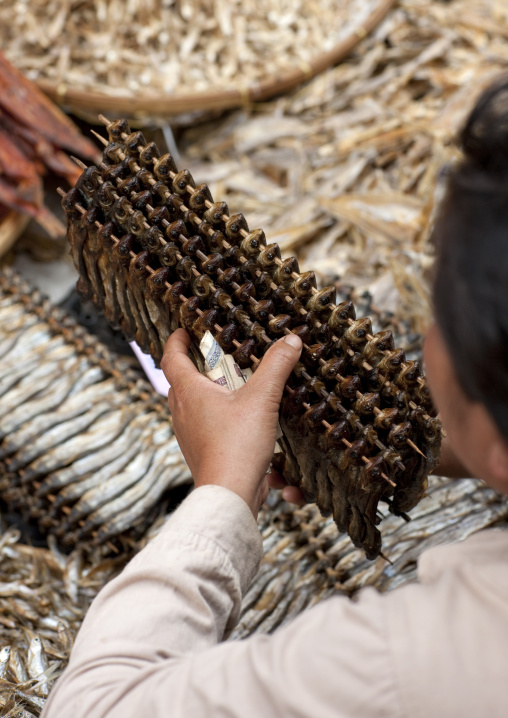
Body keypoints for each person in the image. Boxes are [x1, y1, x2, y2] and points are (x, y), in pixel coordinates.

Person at [42, 78, 508, 718]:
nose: (427, 339)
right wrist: (451, 448)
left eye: (442, 320)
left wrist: (224, 487)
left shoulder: (417, 660)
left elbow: (95, 706)